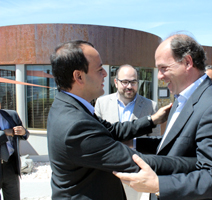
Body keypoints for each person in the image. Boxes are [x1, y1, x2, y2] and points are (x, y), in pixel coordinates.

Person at [47, 40, 196, 200]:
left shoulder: (69, 106)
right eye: (99, 70)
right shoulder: (75, 124)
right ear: (79, 76)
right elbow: (135, 161)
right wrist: (196, 162)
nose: (105, 74)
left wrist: (152, 120)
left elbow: (113, 130)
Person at [114, 34, 212, 200]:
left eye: (164, 68)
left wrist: (158, 185)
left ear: (187, 62)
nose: (159, 76)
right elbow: (173, 144)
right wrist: (133, 143)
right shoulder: (181, 99)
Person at [95, 64, 161, 199]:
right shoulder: (101, 103)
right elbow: (97, 140)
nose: (129, 86)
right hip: (108, 170)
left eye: (133, 82)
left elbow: (154, 144)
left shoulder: (151, 106)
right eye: (125, 82)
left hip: (135, 172)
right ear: (116, 82)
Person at [0, 109, 29, 200]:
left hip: (11, 165)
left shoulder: (12, 115)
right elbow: (7, 133)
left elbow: (25, 134)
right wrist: (5, 133)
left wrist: (23, 132)